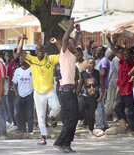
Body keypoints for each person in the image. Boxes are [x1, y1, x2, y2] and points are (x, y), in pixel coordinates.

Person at [17, 33, 60, 146]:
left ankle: (51, 117)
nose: (40, 50)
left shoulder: (50, 59)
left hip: (50, 90)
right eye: (38, 49)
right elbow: (19, 52)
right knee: (40, 116)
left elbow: (63, 54)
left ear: (44, 51)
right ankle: (43, 138)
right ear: (35, 52)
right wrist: (21, 39)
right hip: (38, 92)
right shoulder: (32, 60)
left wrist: (56, 43)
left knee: (57, 107)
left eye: (41, 49)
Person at [53, 18, 78, 153]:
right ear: (67, 46)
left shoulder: (72, 56)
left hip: (70, 91)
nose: (75, 46)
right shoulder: (64, 53)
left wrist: (77, 31)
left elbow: (70, 42)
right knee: (70, 119)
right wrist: (70, 26)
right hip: (66, 91)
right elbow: (64, 40)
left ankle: (67, 143)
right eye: (73, 44)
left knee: (74, 119)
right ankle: (60, 142)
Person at [107, 35, 134, 133]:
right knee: (117, 107)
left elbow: (129, 57)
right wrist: (109, 40)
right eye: (123, 55)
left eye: (126, 55)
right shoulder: (122, 61)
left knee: (130, 111)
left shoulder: (132, 62)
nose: (124, 56)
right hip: (121, 90)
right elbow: (115, 52)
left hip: (129, 91)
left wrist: (125, 48)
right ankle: (126, 124)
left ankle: (133, 128)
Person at [77, 58, 102, 135]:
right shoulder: (83, 74)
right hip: (84, 97)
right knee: (80, 110)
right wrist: (76, 95)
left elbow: (103, 86)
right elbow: (80, 85)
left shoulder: (97, 73)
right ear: (87, 64)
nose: (92, 65)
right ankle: (80, 120)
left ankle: (91, 130)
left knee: (91, 115)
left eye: (93, 63)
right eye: (90, 63)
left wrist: (101, 97)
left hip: (94, 98)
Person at [13, 56, 34, 133]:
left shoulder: (32, 69)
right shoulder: (17, 71)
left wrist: (33, 94)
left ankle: (30, 131)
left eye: (22, 59)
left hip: (29, 95)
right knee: (17, 114)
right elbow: (14, 83)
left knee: (29, 115)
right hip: (19, 95)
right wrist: (17, 95)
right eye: (20, 59)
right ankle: (21, 129)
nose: (21, 61)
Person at [94, 45, 109, 130]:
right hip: (101, 85)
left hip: (101, 86)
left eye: (98, 51)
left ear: (102, 52)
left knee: (98, 106)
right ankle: (105, 124)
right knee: (102, 106)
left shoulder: (103, 61)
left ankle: (99, 125)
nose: (96, 52)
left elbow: (103, 72)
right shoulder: (101, 60)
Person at [106, 47, 119, 120]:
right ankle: (109, 114)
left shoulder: (115, 59)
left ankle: (109, 114)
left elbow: (118, 71)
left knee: (111, 99)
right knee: (111, 99)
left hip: (114, 82)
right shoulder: (115, 59)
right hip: (113, 82)